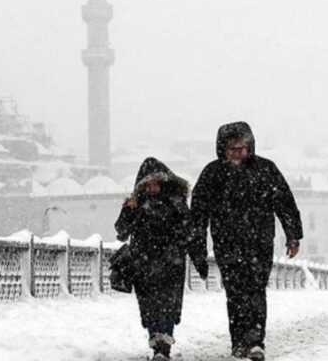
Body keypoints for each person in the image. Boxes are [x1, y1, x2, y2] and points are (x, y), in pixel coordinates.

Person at [190, 122, 303, 361]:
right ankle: (239, 341)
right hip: (226, 243)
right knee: (235, 292)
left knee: (255, 290)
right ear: (223, 149)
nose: (238, 153)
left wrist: (293, 235)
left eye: (242, 148)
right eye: (232, 149)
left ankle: (254, 341)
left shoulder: (265, 169)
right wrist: (197, 247)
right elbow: (198, 214)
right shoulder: (212, 174)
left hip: (259, 243)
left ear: (250, 147)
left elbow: (285, 203)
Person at [115, 157, 208, 361]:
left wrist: (200, 260)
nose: (152, 187)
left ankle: (163, 344)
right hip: (144, 264)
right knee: (149, 306)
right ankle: (156, 339)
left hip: (171, 264)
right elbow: (121, 231)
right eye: (148, 183)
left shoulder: (177, 205)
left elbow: (190, 234)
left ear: (165, 182)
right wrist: (129, 209)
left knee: (168, 305)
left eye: (156, 182)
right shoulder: (137, 205)